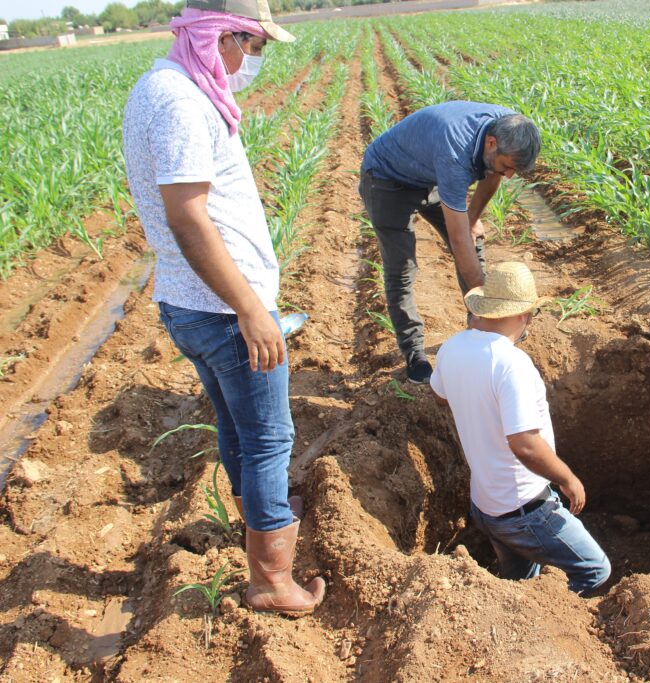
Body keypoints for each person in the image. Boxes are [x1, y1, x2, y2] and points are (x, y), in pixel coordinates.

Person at [122, 0, 325, 615]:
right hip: (220, 308)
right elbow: (188, 216)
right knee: (268, 438)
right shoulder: (182, 101)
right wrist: (250, 308)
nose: (253, 60)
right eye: (254, 45)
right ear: (221, 37)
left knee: (239, 428)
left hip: (192, 302)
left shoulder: (163, 86)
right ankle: (270, 581)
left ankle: (256, 531)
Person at [429, 262, 611, 595]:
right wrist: (567, 479)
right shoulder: (511, 364)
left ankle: (525, 615)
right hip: (524, 510)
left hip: (485, 506)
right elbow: (525, 444)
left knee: (520, 583)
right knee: (595, 570)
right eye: (529, 314)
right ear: (519, 315)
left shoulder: (451, 348)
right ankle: (553, 620)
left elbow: (440, 396)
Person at [359, 102, 541, 383]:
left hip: (427, 175)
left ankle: (481, 329)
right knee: (402, 270)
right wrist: (490, 303)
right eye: (508, 167)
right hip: (387, 180)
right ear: (490, 144)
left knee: (474, 240)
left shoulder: (507, 126)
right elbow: (458, 240)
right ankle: (414, 353)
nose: (509, 175)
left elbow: (492, 176)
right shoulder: (456, 153)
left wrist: (472, 218)